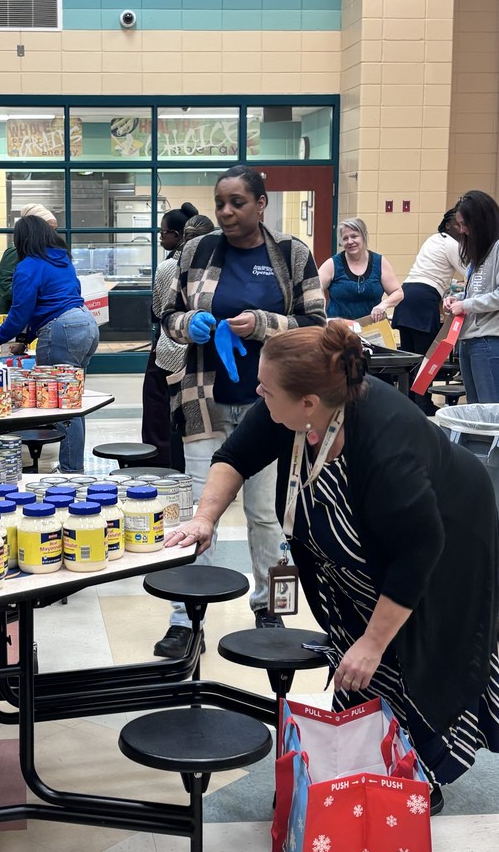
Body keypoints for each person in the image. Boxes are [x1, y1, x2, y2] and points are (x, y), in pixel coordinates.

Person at [167, 321, 499, 801]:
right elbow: (234, 456)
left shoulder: (387, 447)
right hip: (377, 543)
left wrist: (372, 642)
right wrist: (204, 519)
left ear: (307, 404)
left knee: (405, 649)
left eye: (266, 388)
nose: (258, 392)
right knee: (358, 643)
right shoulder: (294, 407)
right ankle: (367, 753)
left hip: (448, 535)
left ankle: (415, 774)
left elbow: (417, 552)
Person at [154, 165, 326, 658]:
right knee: (194, 514)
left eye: (238, 203)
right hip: (204, 403)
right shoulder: (196, 251)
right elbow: (166, 316)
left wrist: (262, 324)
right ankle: (184, 617)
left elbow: (315, 323)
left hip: (272, 410)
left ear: (261, 203)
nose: (226, 212)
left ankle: (270, 608)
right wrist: (191, 323)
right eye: (220, 203)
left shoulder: (292, 255)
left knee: (267, 516)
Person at [0, 215, 98, 473]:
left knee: (62, 406)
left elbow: (20, 313)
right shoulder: (62, 259)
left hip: (62, 330)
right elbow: (52, 303)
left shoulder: (28, 266)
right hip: (85, 324)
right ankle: (72, 467)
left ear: (22, 240)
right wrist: (25, 340)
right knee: (71, 400)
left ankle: (70, 471)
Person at [141, 202, 202, 469]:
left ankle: (160, 465)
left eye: (163, 232)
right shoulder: (212, 266)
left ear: (178, 236)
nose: (161, 237)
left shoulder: (168, 268)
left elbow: (158, 310)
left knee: (160, 415)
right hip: (201, 352)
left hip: (170, 351)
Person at [392, 207, 463, 415]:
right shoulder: (451, 243)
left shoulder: (433, 240)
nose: (462, 228)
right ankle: (422, 403)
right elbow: (469, 270)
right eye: (458, 224)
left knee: (410, 356)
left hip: (406, 295)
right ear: (448, 225)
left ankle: (409, 403)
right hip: (424, 298)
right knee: (427, 356)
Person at [443, 189, 499, 403]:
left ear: (481, 221)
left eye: (465, 224)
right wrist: (457, 300)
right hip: (468, 340)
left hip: (488, 340)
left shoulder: (497, 248)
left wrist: (467, 304)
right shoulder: (479, 254)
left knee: (489, 410)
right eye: (459, 224)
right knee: (473, 410)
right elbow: (478, 293)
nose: (463, 230)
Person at [319, 218, 403, 322]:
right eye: (345, 238)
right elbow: (312, 291)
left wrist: (383, 305)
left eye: (354, 236)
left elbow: (398, 293)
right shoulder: (332, 264)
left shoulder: (379, 262)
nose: (350, 241)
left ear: (364, 236)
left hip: (372, 327)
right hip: (340, 331)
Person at [0, 204, 57, 315]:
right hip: (9, 312)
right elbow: (4, 283)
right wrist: (32, 297)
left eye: (55, 229)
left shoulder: (49, 253)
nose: (54, 234)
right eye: (50, 229)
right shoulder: (15, 252)